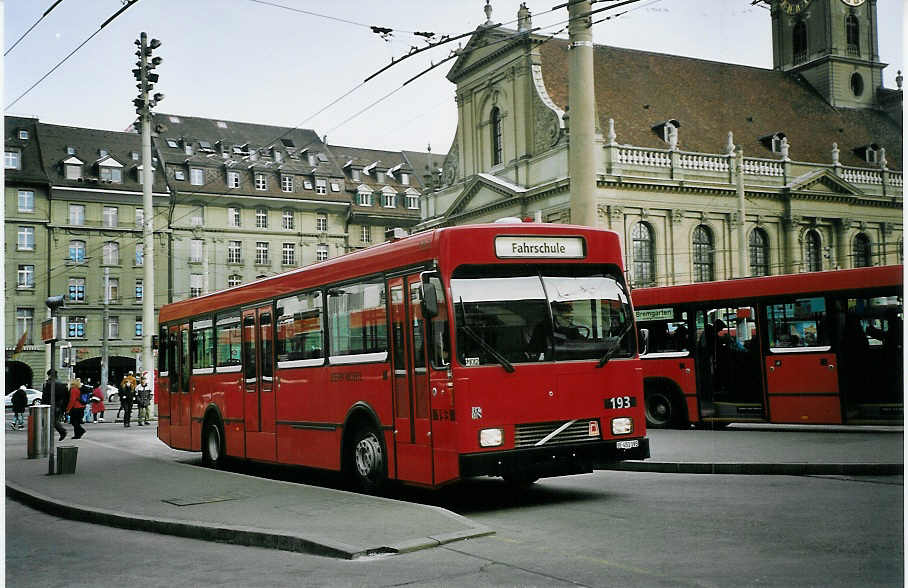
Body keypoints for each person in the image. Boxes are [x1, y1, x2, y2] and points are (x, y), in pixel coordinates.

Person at [41, 369, 68, 441]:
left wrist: (43, 404)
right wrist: (64, 408)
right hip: (59, 406)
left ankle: (61, 431)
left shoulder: (49, 384)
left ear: (49, 375)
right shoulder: (62, 384)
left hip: (50, 405)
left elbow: (45, 396)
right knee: (53, 420)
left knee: (50, 421)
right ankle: (55, 434)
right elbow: (66, 397)